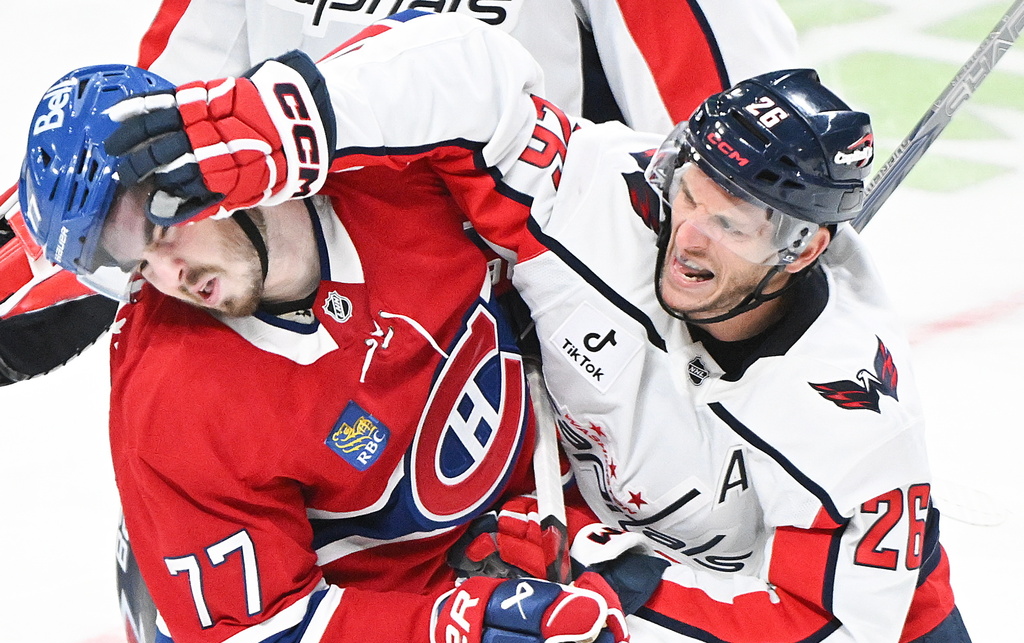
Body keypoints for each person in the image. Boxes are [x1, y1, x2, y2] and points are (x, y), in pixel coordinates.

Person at [97, 11, 993, 643]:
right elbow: (471, 69)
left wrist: (605, 576)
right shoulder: (604, 202)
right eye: (692, 195)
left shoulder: (848, 404)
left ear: (804, 249)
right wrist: (278, 125)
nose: (685, 238)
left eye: (735, 227)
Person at [18, 60, 632, 643]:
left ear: (216, 165)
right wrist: (453, 629)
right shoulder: (174, 399)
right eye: (134, 264)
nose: (170, 276)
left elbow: (487, 67)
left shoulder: (395, 168)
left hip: (441, 635)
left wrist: (534, 520)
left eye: (162, 232)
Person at [1, 0, 801, 385]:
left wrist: (757, 283)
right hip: (310, 350)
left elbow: (737, 144)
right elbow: (144, 145)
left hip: (544, 361)